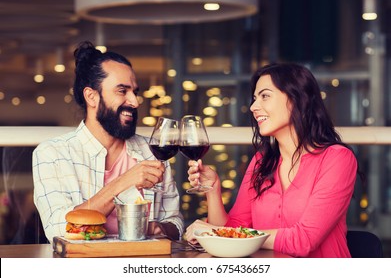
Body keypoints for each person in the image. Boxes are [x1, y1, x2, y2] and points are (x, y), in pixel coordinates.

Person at [185, 63, 358, 258]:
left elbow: (304, 240)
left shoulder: (337, 159)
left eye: (265, 96)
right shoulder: (261, 161)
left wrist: (229, 236)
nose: (253, 107)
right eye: (254, 98)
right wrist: (213, 190)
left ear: (296, 99)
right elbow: (232, 230)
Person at [33, 41, 184, 243]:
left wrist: (160, 228)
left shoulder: (152, 151)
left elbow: (176, 222)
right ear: (91, 97)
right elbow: (58, 229)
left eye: (135, 92)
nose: (134, 101)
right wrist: (123, 183)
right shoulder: (51, 154)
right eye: (122, 91)